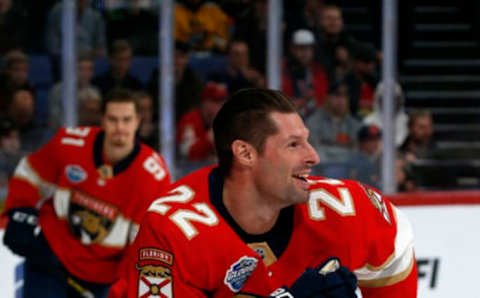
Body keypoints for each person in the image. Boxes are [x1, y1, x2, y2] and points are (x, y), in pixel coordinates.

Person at [114, 88, 417, 297]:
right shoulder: (173, 230)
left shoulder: (348, 211)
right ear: (245, 153)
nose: (313, 157)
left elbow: (396, 247)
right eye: (293, 145)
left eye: (307, 141)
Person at [2, 88, 171, 298]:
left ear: (137, 121)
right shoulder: (70, 143)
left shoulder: (153, 176)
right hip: (51, 258)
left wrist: (122, 286)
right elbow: (30, 173)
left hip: (100, 278)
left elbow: (144, 242)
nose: (120, 127)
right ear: (102, 120)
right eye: (113, 119)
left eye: (126, 120)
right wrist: (20, 212)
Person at [176, 82, 227, 164]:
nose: (219, 106)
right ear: (204, 102)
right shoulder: (189, 120)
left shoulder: (226, 120)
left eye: (222, 101)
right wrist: (209, 138)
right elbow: (187, 154)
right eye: (215, 101)